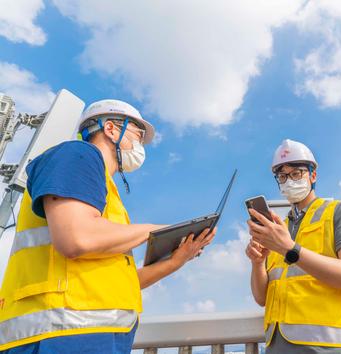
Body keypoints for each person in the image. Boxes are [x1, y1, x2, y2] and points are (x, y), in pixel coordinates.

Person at [0, 99, 215, 353]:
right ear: (111, 129)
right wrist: (153, 231)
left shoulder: (104, 192)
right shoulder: (76, 155)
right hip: (60, 335)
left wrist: (175, 261)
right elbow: (75, 238)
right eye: (138, 134)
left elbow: (119, 281)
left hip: (90, 336)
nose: (140, 144)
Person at [245, 139, 341, 353]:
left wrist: (289, 249)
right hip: (278, 347)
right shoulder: (279, 229)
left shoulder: (338, 212)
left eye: (296, 173)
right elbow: (262, 298)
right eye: (282, 176)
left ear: (313, 175)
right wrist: (257, 263)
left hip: (329, 346)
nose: (288, 181)